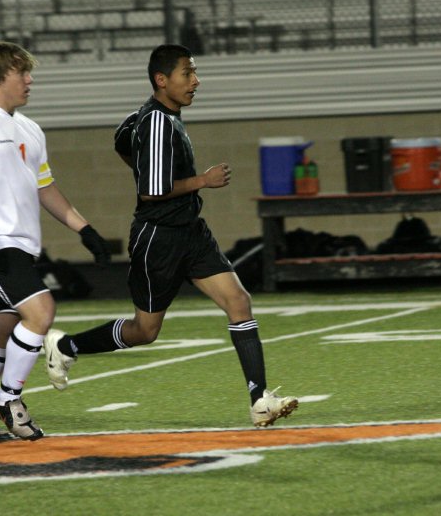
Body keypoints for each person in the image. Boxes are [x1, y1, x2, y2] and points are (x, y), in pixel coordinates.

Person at [43, 44, 299, 428]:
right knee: (144, 331)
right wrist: (203, 181)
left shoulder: (151, 117)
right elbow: (151, 190)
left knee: (239, 301)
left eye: (194, 73)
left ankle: (259, 399)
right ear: (162, 80)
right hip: (158, 237)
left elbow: (120, 138)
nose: (196, 81)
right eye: (187, 73)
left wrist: (146, 163)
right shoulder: (156, 122)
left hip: (191, 232)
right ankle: (65, 346)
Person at [0, 40, 111, 440]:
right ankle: (8, 399)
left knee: (2, 332)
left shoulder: (31, 129)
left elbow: (45, 188)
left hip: (21, 245)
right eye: (22, 73)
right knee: (41, 313)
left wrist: (85, 230)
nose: (30, 80)